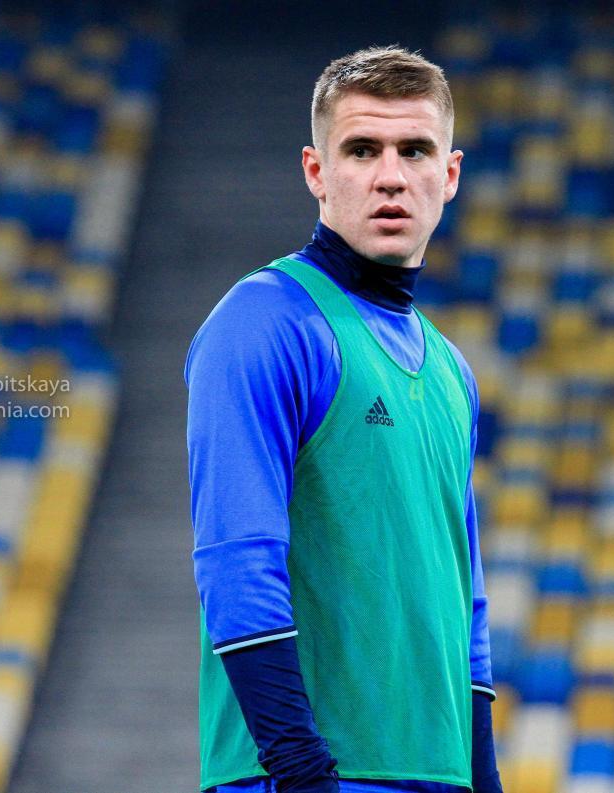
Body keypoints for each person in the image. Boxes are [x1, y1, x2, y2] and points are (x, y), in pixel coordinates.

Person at [185, 46, 502, 793]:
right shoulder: (264, 321)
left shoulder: (452, 371)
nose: (390, 175)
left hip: (437, 773)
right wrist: (302, 772)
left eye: (414, 150)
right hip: (305, 775)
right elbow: (237, 560)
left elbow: (467, 605)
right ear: (317, 171)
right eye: (362, 149)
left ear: (449, 175)